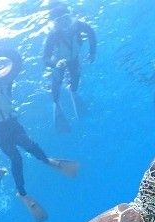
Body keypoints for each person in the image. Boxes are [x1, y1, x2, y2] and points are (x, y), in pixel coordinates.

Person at [0, 47, 79, 222]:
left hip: (13, 124)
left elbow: (15, 65)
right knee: (16, 159)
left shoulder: (5, 83)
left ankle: (46, 160)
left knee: (29, 144)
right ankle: (21, 193)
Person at [42, 1, 97, 132]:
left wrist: (92, 52)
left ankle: (72, 91)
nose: (64, 23)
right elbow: (45, 58)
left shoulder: (78, 25)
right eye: (60, 21)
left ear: (70, 17)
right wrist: (55, 64)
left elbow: (91, 33)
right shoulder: (53, 35)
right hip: (60, 62)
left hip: (74, 59)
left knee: (75, 81)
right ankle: (56, 103)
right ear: (55, 23)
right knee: (57, 83)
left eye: (66, 18)